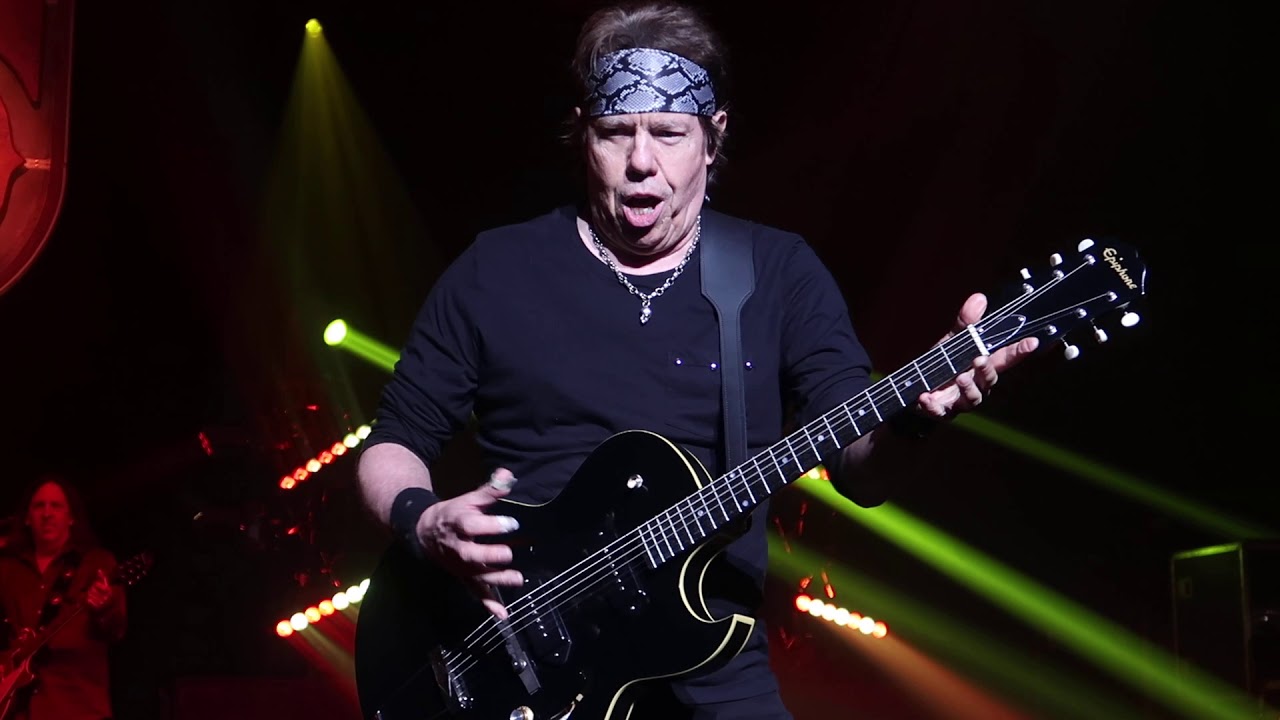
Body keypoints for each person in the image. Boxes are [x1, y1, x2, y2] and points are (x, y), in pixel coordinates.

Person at [356, 1, 1038, 717]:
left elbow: (859, 470)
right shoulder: (497, 269)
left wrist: (917, 420)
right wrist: (423, 522)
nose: (640, 161)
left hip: (709, 664)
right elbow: (393, 441)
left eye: (669, 133)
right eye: (615, 133)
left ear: (713, 138)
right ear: (583, 136)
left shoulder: (778, 273)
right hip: (508, 651)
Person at [0, 475, 126, 720]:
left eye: (56, 506)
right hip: (16, 709)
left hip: (77, 706)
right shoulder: (7, 569)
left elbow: (116, 631)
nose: (47, 513)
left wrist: (104, 608)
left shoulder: (96, 564)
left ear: (71, 517)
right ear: (26, 518)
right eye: (39, 506)